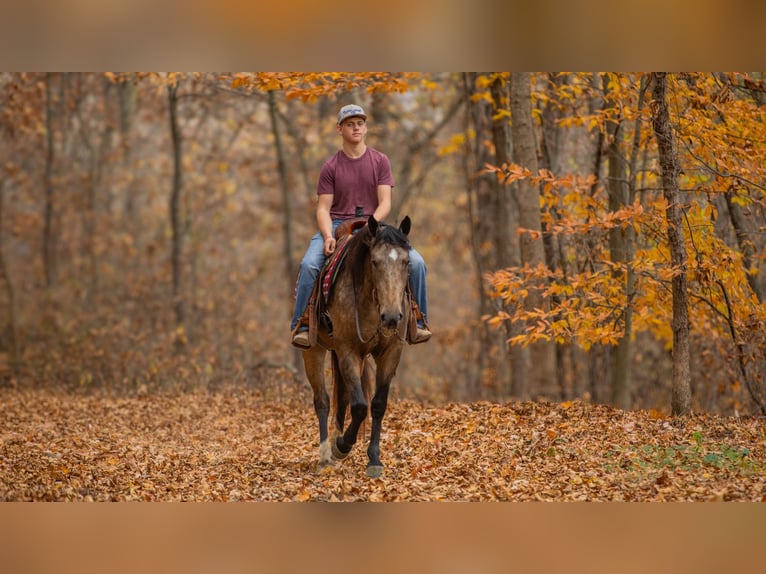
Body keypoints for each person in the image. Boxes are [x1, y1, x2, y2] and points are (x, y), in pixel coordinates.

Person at [290, 103, 431, 348]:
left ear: (365, 129)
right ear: (339, 129)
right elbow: (323, 208)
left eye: (360, 124)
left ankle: (418, 320)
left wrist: (372, 226)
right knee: (309, 264)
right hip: (337, 224)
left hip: (374, 224)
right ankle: (302, 323)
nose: (356, 128)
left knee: (417, 263)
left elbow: (385, 202)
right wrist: (326, 236)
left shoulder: (380, 161)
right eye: (350, 124)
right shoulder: (331, 166)